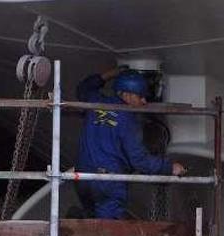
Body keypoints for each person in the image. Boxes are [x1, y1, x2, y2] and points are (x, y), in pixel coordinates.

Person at [75, 68, 187, 219]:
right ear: (126, 95)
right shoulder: (128, 121)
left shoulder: (95, 102)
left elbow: (84, 87)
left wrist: (111, 73)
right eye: (140, 96)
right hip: (109, 182)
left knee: (91, 224)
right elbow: (139, 160)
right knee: (106, 231)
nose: (144, 101)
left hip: (82, 178)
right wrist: (169, 167)